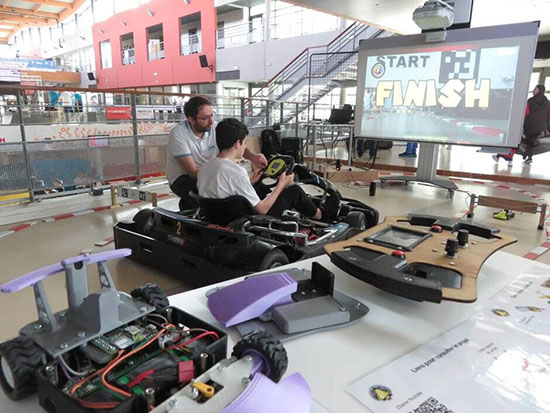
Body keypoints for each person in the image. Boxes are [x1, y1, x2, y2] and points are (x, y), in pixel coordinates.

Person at [198, 118, 336, 220]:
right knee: (294, 191)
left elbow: (223, 190)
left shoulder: (204, 168)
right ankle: (320, 216)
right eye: (244, 142)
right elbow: (262, 210)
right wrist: (281, 185)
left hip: (220, 217)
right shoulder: (236, 172)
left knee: (260, 187)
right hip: (251, 221)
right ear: (237, 144)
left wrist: (250, 182)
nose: (245, 146)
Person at [166, 96, 267, 210]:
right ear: (191, 119)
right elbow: (193, 173)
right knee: (219, 193)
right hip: (183, 178)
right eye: (205, 118)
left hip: (209, 172)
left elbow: (234, 142)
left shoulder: (213, 126)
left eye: (212, 115)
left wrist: (253, 157)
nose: (211, 121)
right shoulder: (178, 134)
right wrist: (231, 178)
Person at [493, 84, 550, 165]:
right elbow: (548, 116)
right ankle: (528, 158)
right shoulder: (548, 103)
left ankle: (506, 156)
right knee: (530, 141)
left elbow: (524, 112)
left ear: (538, 91)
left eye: (535, 89)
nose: (533, 91)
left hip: (528, 125)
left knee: (515, 138)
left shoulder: (530, 101)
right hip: (540, 127)